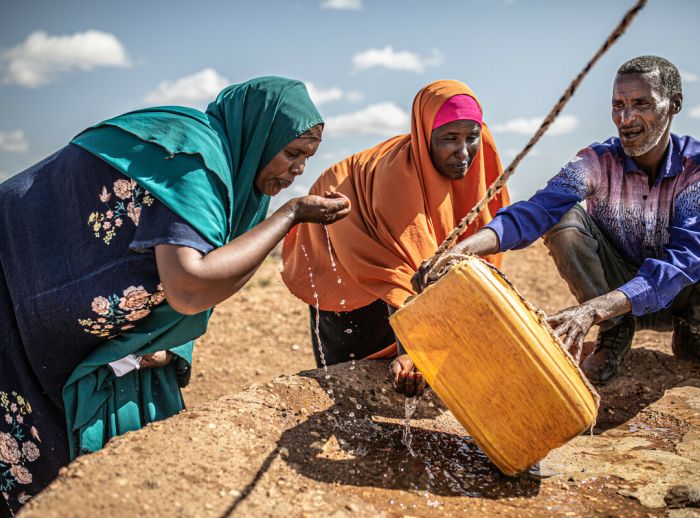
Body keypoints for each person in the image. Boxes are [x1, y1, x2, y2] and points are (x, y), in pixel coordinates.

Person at [0, 76, 350, 512]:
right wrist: (293, 213)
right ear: (259, 134)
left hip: (51, 299)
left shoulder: (234, 181)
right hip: (16, 276)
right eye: (293, 154)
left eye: (307, 159)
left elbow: (211, 278)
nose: (299, 170)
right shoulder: (194, 158)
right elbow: (189, 286)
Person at [415, 56, 700, 385]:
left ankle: (689, 329)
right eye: (618, 104)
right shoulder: (597, 162)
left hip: (684, 297)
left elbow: (681, 264)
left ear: (674, 103)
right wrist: (463, 250)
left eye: (641, 104)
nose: (626, 118)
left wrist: (593, 309)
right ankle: (615, 331)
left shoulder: (693, 171)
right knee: (563, 216)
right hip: (616, 296)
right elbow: (537, 211)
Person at [282, 80, 510, 396]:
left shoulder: (483, 156)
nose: (463, 151)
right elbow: (405, 269)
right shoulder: (398, 179)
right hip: (342, 242)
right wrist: (412, 350)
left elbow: (487, 238)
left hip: (392, 253)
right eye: (449, 139)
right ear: (423, 134)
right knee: (352, 376)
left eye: (471, 137)